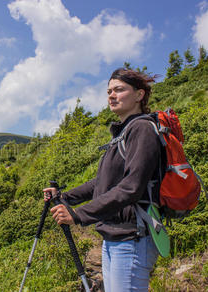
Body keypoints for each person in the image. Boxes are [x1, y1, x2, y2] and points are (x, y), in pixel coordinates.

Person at [43, 68, 165, 292]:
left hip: (133, 238)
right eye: (109, 91)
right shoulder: (122, 134)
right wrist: (64, 197)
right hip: (115, 237)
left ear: (139, 95)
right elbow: (99, 183)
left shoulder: (142, 129)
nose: (111, 95)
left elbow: (131, 188)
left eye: (119, 90)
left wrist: (79, 214)